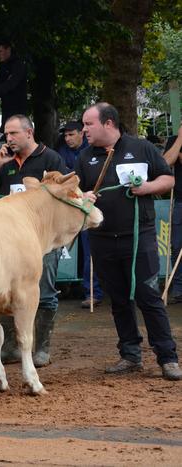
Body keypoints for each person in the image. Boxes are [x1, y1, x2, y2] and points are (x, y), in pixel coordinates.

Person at [77, 102, 181, 381]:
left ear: (108, 123)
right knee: (119, 300)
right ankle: (130, 355)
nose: (84, 129)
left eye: (89, 124)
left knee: (148, 296)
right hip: (101, 239)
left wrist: (147, 187)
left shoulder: (142, 147)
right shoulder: (85, 156)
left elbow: (167, 179)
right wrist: (83, 198)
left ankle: (168, 357)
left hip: (139, 237)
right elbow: (76, 191)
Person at [0, 114, 67, 368]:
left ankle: (42, 349)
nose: (9, 138)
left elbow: (63, 195)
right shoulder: (5, 160)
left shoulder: (51, 159)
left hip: (42, 238)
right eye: (6, 134)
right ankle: (11, 348)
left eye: (13, 133)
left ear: (29, 132)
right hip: (8, 240)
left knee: (45, 291)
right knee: (6, 291)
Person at [56, 121, 102, 308]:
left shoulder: (91, 151)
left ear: (81, 134)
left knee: (91, 251)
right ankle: (70, 287)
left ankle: (94, 292)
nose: (67, 139)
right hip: (70, 207)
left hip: (91, 205)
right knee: (68, 250)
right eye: (65, 135)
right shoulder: (61, 152)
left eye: (71, 134)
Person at [0, 41, 28, 133]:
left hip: (19, 109)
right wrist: (7, 83)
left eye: (0, 51)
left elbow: (13, 83)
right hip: (6, 110)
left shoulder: (18, 65)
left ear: (8, 49)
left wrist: (4, 85)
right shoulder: (0, 69)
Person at [164, 127, 182, 303]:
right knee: (177, 246)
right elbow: (166, 162)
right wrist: (181, 139)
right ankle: (178, 289)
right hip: (180, 201)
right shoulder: (174, 140)